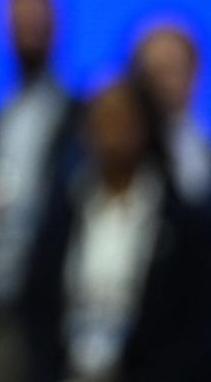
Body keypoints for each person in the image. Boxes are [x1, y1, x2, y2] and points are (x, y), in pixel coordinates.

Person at [22, 79, 211, 382]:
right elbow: (37, 303)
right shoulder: (62, 212)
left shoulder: (181, 221)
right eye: (101, 118)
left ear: (145, 126)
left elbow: (192, 323)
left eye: (121, 117)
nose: (111, 130)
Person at [0, 0, 79, 381]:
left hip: (62, 316)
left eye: (36, 23)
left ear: (55, 27)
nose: (27, 32)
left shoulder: (85, 120)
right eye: (19, 23)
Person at [130, 23, 210, 210]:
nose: (161, 84)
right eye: (152, 73)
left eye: (171, 70)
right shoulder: (116, 155)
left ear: (193, 72)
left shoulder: (202, 153)